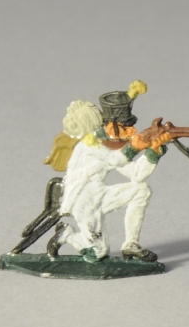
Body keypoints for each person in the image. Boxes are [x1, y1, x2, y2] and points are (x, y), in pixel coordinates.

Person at [51, 83, 173, 262]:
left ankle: (131, 244)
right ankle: (67, 234)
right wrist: (135, 147)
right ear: (110, 125)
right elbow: (117, 159)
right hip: (82, 201)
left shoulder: (112, 147)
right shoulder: (90, 144)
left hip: (99, 195)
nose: (132, 131)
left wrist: (153, 152)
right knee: (97, 253)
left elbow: (137, 174)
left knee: (141, 190)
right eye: (125, 126)